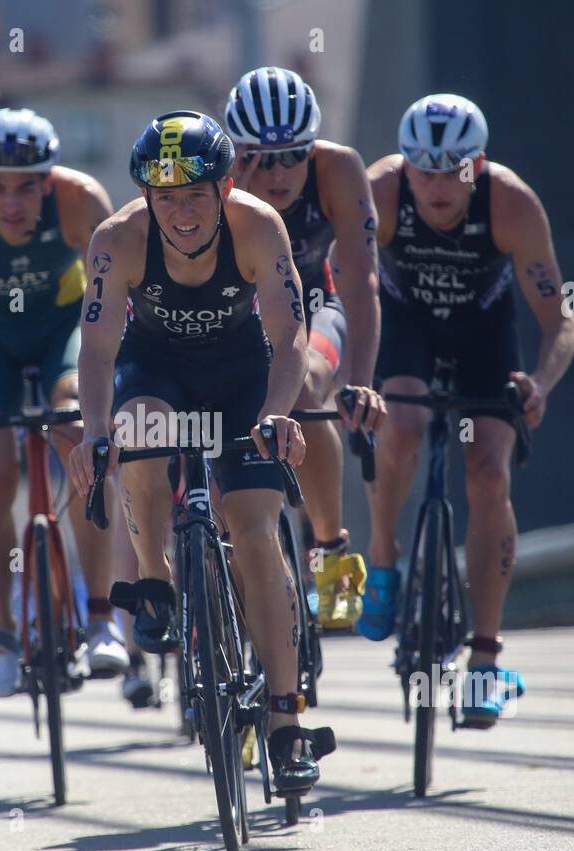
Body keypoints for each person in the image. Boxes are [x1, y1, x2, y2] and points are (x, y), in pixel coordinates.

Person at [68, 110, 347, 793]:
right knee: (136, 434)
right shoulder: (117, 240)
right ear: (146, 199)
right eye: (167, 199)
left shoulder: (257, 226)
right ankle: (158, 576)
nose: (183, 213)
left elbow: (288, 336)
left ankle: (286, 721)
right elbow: (100, 349)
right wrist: (94, 431)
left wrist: (278, 413)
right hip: (155, 369)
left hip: (240, 375)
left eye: (196, 195)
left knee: (254, 532)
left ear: (224, 190)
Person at [364, 93, 574, 726]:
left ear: (477, 166)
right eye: (421, 170)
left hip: (483, 333)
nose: (435, 186)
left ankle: (485, 660)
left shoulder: (510, 203)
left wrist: (539, 382)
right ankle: (383, 556)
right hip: (405, 327)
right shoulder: (378, 191)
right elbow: (343, 276)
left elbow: (559, 319)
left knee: (488, 471)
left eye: (452, 171)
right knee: (400, 424)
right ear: (405, 166)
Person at [0, 108, 140, 701]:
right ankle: (0, 631)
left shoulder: (82, 200)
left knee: (80, 439)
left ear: (50, 181)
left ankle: (99, 617)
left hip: (62, 331)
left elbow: (114, 301)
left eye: (25, 188)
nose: (10, 204)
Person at [224, 66, 386, 631]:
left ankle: (330, 547)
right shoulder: (217, 178)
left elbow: (363, 282)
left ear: (312, 147)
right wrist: (232, 190)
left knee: (310, 384)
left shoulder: (339, 169)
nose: (278, 171)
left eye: (292, 155)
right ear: (235, 152)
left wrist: (361, 380)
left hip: (316, 300)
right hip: (235, 310)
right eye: (260, 158)